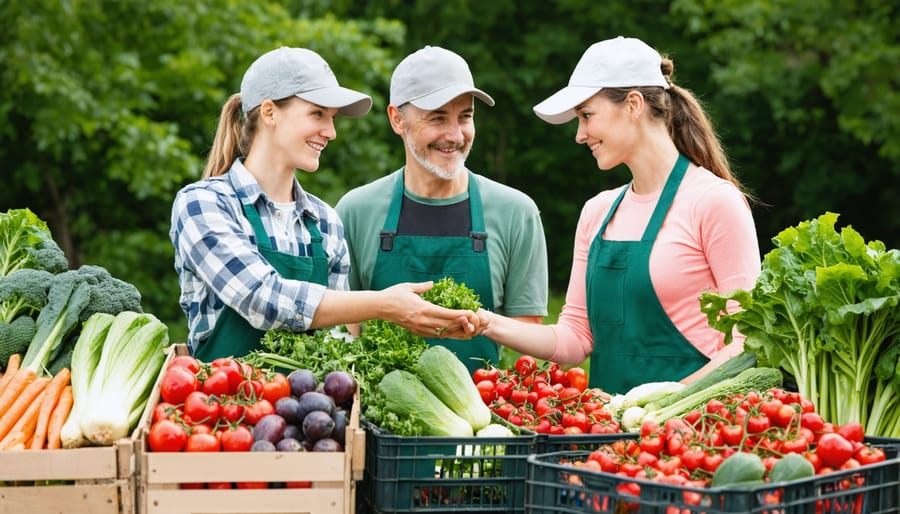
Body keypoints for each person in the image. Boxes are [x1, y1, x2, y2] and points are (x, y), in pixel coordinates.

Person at [477, 36, 762, 393]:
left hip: (695, 435)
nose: (580, 134)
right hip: (608, 437)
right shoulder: (597, 213)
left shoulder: (714, 202)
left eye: (586, 115)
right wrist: (485, 322)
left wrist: (659, 409)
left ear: (633, 104)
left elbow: (747, 341)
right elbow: (575, 338)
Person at [170, 46, 478, 361]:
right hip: (215, 406)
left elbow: (335, 346)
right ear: (269, 112)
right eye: (317, 114)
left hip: (308, 409)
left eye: (331, 119)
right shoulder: (204, 204)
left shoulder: (324, 220)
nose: (330, 132)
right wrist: (384, 305)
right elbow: (261, 299)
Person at [335, 46, 549, 374]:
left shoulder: (515, 213)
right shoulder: (355, 211)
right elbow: (344, 335)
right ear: (397, 119)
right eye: (437, 118)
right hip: (377, 420)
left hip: (480, 415)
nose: (454, 135)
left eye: (465, 116)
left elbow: (527, 350)